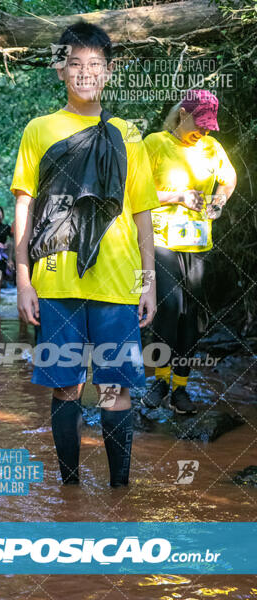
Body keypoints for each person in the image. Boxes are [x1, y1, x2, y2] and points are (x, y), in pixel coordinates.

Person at [11, 22, 160, 486]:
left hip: (118, 282)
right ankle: (69, 489)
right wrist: (22, 278)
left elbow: (142, 215)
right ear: (61, 70)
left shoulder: (128, 134)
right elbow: (25, 205)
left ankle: (119, 492)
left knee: (115, 389)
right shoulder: (39, 130)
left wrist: (148, 282)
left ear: (109, 72)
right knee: (66, 387)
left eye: (94, 64)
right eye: (75, 63)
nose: (84, 73)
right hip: (56, 280)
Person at [143, 90, 237, 414]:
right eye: (201, 124)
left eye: (210, 126)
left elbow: (229, 179)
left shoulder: (211, 147)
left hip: (198, 243)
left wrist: (220, 200)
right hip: (161, 240)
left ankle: (180, 390)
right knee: (169, 308)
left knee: (192, 319)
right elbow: (135, 193)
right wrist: (179, 197)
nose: (205, 131)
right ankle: (159, 382)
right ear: (183, 115)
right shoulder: (155, 143)